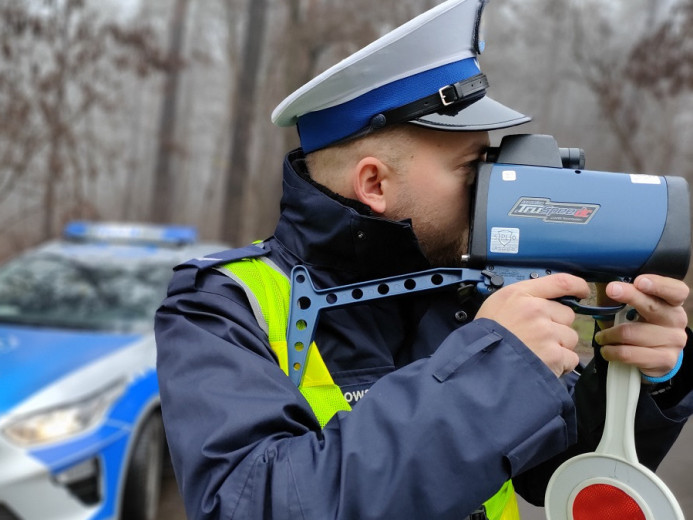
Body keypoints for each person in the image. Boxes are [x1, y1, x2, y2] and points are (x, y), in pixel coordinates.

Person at [155, 0, 693, 518]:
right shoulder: (221, 308)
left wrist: (645, 382)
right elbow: (257, 503)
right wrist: (491, 375)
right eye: (471, 168)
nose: (493, 189)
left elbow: (551, 472)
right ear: (374, 184)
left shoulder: (472, 290)